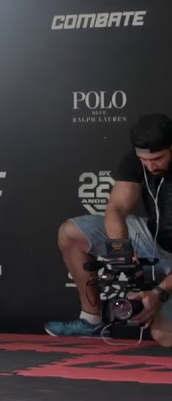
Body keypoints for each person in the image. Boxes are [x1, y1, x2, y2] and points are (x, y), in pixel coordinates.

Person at [46, 113, 172, 341]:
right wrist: (119, 250)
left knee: (164, 336)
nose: (151, 165)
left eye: (158, 158)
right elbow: (116, 208)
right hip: (154, 238)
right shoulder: (136, 159)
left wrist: (159, 292)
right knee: (71, 232)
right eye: (144, 160)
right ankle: (91, 321)